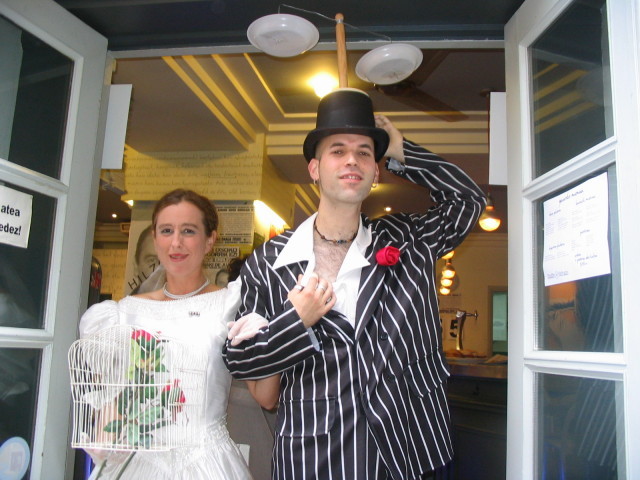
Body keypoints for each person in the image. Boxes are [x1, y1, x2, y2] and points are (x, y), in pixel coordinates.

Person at [223, 88, 486, 480]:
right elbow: (242, 358)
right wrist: (296, 321)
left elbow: (468, 201)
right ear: (314, 169)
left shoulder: (408, 240)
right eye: (338, 150)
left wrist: (401, 151)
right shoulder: (268, 261)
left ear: (376, 172)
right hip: (310, 456)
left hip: (405, 451)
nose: (352, 160)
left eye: (364, 152)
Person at [78, 188, 253, 480]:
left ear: (210, 240)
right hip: (137, 462)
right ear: (155, 237)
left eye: (188, 231)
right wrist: (107, 428)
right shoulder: (125, 312)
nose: (176, 243)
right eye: (166, 230)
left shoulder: (230, 305)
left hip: (207, 463)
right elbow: (112, 391)